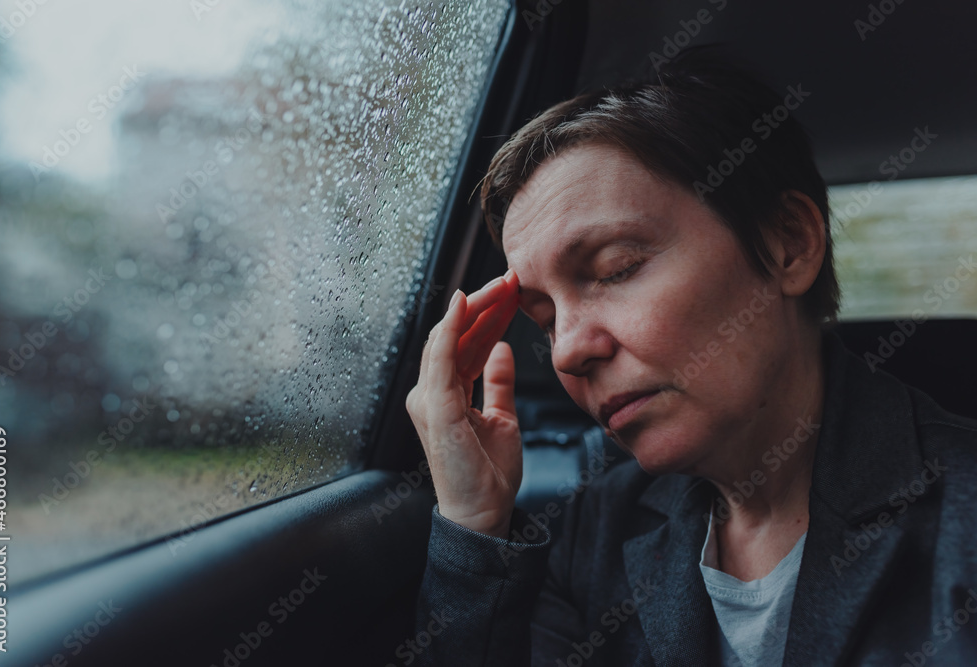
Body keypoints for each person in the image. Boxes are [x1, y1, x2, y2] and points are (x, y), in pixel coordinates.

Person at [404, 48, 977, 667]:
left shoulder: (960, 521)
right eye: (544, 319)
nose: (567, 351)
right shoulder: (599, 526)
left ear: (788, 245)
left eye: (616, 269)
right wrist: (474, 525)